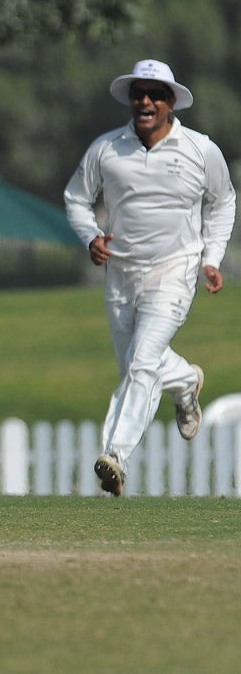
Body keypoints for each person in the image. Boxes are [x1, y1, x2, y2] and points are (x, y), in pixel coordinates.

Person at [64, 59, 236, 496]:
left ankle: (115, 456)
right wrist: (90, 238)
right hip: (121, 275)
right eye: (139, 93)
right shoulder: (106, 149)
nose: (146, 101)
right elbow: (76, 199)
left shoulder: (200, 149)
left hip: (175, 270)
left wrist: (212, 258)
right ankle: (186, 381)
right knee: (139, 368)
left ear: (171, 102)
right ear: (130, 98)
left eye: (156, 94)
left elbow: (223, 203)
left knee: (142, 364)